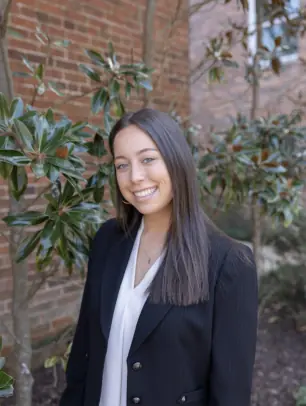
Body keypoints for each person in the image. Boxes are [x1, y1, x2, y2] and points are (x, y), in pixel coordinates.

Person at [59, 108, 258, 406]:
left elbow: (231, 392)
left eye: (148, 159)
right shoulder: (107, 241)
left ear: (176, 161)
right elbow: (83, 352)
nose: (135, 177)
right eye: (122, 165)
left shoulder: (229, 263)